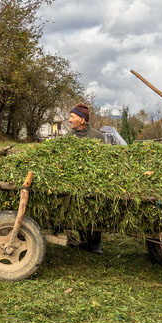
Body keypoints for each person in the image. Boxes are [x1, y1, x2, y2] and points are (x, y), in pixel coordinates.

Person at [68, 102, 109, 253]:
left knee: (94, 210)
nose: (70, 120)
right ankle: (85, 240)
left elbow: (104, 160)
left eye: (72, 117)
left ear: (82, 120)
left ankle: (95, 243)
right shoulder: (69, 137)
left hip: (93, 181)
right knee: (77, 210)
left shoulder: (96, 136)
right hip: (74, 181)